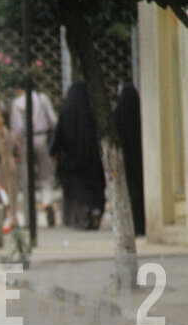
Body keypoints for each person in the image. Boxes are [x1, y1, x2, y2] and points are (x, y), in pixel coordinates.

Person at [49, 81, 105, 230]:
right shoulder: (91, 110)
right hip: (91, 158)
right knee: (91, 188)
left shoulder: (67, 110)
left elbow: (59, 134)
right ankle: (93, 212)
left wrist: (55, 151)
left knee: (76, 190)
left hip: (70, 159)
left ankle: (80, 218)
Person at [9, 84, 58, 227]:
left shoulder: (18, 102)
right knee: (46, 176)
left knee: (27, 179)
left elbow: (17, 128)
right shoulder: (43, 98)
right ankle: (47, 202)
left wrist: (16, 147)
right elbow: (53, 121)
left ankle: (30, 217)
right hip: (42, 138)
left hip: (26, 141)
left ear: (20, 89)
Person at [113, 81, 145, 236]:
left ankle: (130, 227)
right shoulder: (141, 114)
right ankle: (141, 225)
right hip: (140, 160)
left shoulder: (118, 114)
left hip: (124, 160)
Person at [0, 108, 20, 231]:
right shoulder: (10, 132)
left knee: (5, 194)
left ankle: (10, 219)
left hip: (2, 167)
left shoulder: (1, 133)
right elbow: (18, 150)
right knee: (9, 193)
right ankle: (11, 218)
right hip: (10, 164)